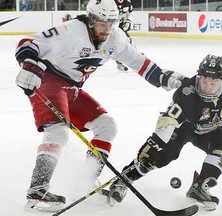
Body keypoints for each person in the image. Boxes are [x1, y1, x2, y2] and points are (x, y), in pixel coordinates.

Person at [15, 0, 185, 212]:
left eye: (112, 22)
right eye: (102, 23)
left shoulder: (116, 38)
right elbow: (27, 43)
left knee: (108, 126)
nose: (107, 28)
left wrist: (166, 78)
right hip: (48, 82)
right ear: (91, 20)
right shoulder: (70, 31)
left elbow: (140, 63)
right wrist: (29, 66)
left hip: (71, 89)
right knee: (58, 132)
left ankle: (86, 184)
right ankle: (37, 190)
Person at [108, 54, 222, 210]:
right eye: (204, 81)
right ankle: (123, 180)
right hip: (184, 128)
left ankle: (201, 186)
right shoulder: (187, 91)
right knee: (160, 156)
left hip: (212, 130)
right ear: (199, 77)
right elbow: (168, 121)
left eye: (213, 82)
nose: (207, 86)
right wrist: (155, 143)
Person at [114, 0, 133, 72]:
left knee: (129, 40)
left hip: (119, 24)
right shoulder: (109, 2)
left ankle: (134, 57)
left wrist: (128, 21)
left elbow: (130, 13)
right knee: (114, 44)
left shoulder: (127, 3)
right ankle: (119, 62)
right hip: (109, 26)